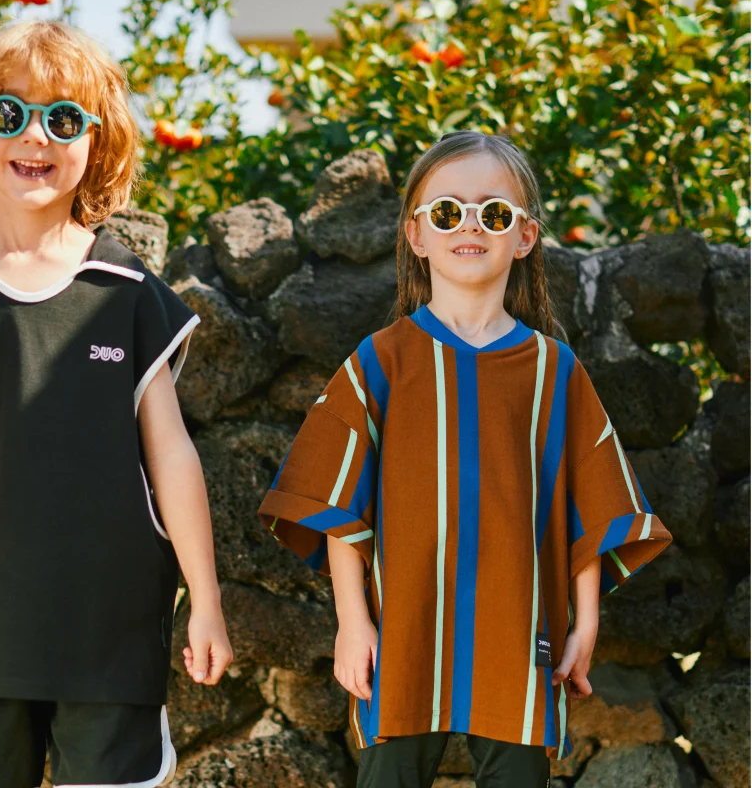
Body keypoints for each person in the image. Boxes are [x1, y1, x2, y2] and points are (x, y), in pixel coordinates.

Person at [0, 20, 231, 788]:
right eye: (9, 113)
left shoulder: (128, 296)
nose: (35, 136)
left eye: (63, 119)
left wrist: (205, 599)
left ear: (95, 146)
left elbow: (172, 457)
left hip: (106, 637)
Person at [258, 131, 671, 788]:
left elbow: (592, 509)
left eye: (495, 213)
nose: (470, 226)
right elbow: (337, 504)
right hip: (403, 636)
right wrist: (352, 622)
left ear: (526, 236)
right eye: (448, 211)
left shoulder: (553, 373)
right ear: (417, 235)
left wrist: (585, 622)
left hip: (520, 638)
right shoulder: (380, 362)